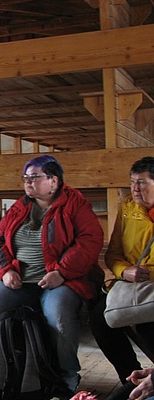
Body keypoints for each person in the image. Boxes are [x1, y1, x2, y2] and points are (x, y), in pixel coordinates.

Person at [0, 154, 104, 393]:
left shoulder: (74, 204)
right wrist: (6, 270)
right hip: (20, 279)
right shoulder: (19, 207)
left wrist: (61, 272)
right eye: (25, 178)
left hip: (61, 280)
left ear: (54, 181)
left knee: (58, 315)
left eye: (35, 177)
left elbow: (90, 241)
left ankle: (67, 375)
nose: (28, 182)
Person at [88, 156, 154, 391]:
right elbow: (113, 253)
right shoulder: (128, 208)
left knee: (146, 326)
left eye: (142, 182)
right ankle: (130, 378)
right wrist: (124, 270)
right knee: (100, 318)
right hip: (131, 282)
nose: (135, 188)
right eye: (132, 182)